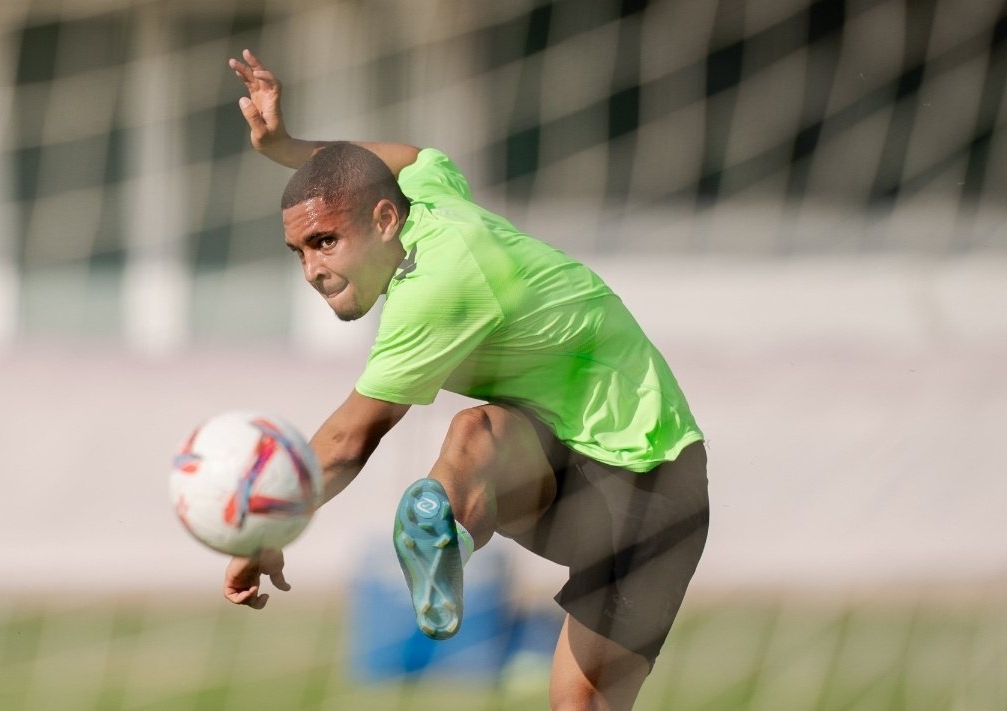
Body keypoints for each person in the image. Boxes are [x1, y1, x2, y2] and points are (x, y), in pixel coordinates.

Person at [222, 48, 709, 710]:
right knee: (475, 428)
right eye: (300, 251)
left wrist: (264, 528)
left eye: (326, 242)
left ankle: (447, 523)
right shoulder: (426, 196)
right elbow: (405, 156)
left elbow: (349, 438)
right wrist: (287, 147)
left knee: (579, 703)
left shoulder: (438, 285)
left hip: (654, 484)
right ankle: (441, 526)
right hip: (566, 450)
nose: (311, 269)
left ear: (383, 221)